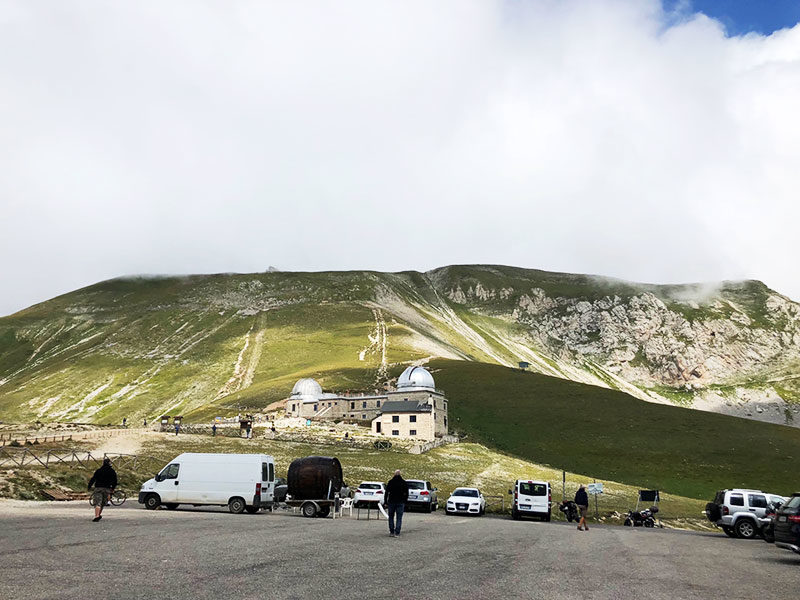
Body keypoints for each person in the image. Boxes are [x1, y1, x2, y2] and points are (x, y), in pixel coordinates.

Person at [88, 457, 117, 522]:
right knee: (103, 503)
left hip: (98, 488)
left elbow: (93, 479)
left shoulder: (99, 470)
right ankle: (99, 514)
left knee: (97, 502)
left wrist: (89, 486)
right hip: (107, 489)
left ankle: (97, 516)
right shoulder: (112, 471)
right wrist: (113, 488)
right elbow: (115, 481)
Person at [385, 469, 409, 538]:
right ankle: (397, 532)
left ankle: (391, 531)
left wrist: (386, 502)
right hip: (400, 502)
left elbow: (386, 493)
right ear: (400, 474)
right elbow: (407, 493)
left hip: (391, 502)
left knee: (391, 517)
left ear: (394, 474)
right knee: (399, 518)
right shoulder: (403, 482)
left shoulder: (391, 482)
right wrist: (405, 501)